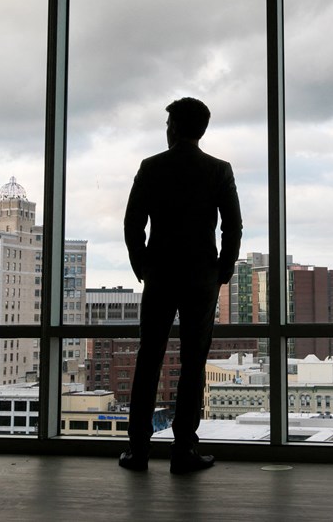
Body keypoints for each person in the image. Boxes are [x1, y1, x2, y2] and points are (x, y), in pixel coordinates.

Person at [119, 97, 242, 474]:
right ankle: (184, 449)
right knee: (193, 363)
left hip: (160, 274)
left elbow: (133, 223)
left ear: (174, 127)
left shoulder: (151, 167)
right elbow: (232, 226)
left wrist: (143, 266)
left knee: (149, 357)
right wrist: (222, 270)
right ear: (201, 129)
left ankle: (138, 449)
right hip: (201, 277)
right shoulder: (219, 170)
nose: (167, 128)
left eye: (169, 122)